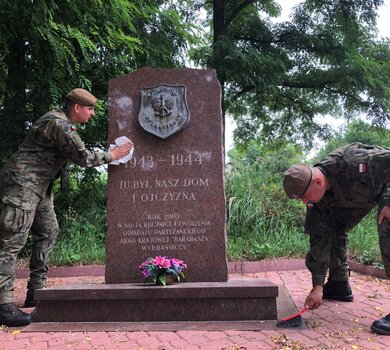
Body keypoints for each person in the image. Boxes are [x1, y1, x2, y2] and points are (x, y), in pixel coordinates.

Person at [0, 88, 133, 327]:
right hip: (22, 186)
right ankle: (4, 304)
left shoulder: (59, 122)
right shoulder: (60, 126)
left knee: (49, 231)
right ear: (77, 108)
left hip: (40, 187)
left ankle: (36, 291)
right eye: (90, 109)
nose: (92, 114)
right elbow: (82, 157)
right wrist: (112, 155)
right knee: (11, 244)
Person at [283, 143, 390, 335]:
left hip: (386, 190)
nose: (305, 202)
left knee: (387, 223)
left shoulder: (352, 161)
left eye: (305, 197)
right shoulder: (317, 199)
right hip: (361, 199)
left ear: (318, 181)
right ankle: (338, 284)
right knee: (330, 228)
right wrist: (317, 286)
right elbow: (319, 239)